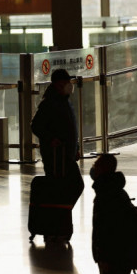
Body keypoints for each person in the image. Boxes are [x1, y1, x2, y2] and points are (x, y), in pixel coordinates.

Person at [31, 68, 85, 204]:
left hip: (67, 154)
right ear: (57, 84)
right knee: (65, 186)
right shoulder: (49, 103)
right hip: (56, 156)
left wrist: (76, 147)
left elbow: (71, 128)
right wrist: (50, 139)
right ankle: (57, 214)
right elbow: (36, 126)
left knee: (69, 186)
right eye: (65, 82)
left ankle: (61, 213)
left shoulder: (64, 101)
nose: (69, 85)